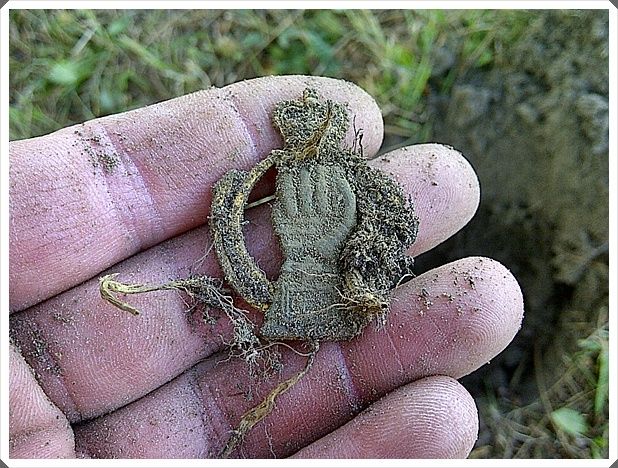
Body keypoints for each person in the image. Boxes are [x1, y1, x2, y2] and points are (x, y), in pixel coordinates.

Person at [8, 76, 524, 459]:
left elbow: (380, 226)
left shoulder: (348, 193)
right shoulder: (285, 183)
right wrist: (256, 219)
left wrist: (330, 267)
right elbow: (239, 238)